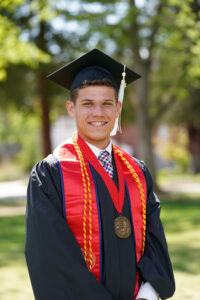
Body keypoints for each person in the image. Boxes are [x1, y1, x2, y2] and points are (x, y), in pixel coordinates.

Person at [25, 49, 175, 300]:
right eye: (87, 104)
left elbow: (155, 240)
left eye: (106, 103)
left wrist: (147, 294)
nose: (98, 112)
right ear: (71, 108)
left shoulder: (138, 172)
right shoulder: (51, 174)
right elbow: (51, 258)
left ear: (117, 108)